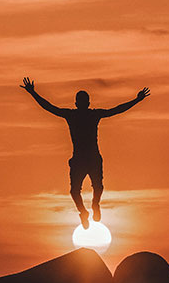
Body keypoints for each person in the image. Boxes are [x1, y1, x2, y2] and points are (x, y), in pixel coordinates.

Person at [20, 77, 150, 229]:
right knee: (76, 191)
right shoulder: (74, 115)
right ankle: (84, 212)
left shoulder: (91, 115)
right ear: (79, 103)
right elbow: (49, 107)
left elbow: (116, 110)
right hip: (81, 160)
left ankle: (95, 204)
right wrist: (33, 93)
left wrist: (136, 100)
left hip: (91, 159)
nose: (82, 104)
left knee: (97, 187)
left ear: (85, 103)